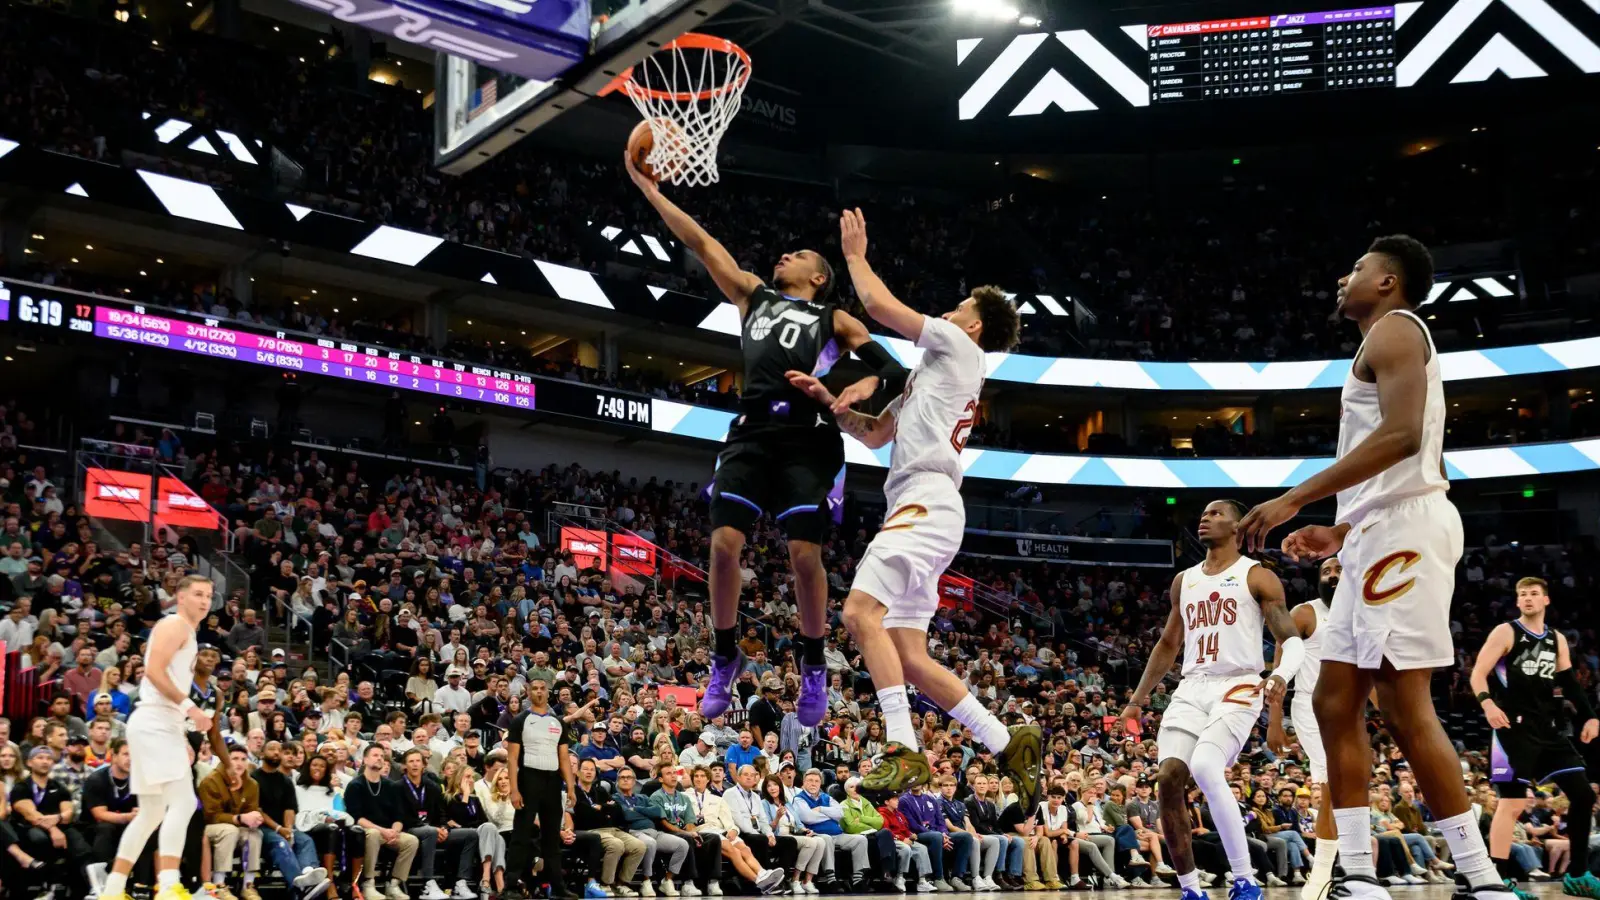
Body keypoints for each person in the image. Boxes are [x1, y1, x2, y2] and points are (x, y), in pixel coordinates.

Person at [1240, 235, 1506, 900]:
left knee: (1403, 703)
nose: (1343, 275)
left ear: (1388, 281)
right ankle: (1357, 873)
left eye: (1357, 267)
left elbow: (1405, 435)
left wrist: (1296, 498)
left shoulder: (1394, 330)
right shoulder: (1384, 337)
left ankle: (1482, 877)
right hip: (1380, 531)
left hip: (1406, 532)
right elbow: (1397, 460)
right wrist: (1340, 527)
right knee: (1334, 701)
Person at [626, 154, 906, 729]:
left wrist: (853, 390)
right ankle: (724, 655)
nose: (784, 255)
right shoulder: (754, 295)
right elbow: (702, 242)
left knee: (804, 554)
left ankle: (812, 663)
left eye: (799, 255)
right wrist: (649, 190)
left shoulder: (834, 318)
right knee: (723, 544)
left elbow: (892, 372)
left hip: (808, 438)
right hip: (752, 431)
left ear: (819, 277)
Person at [784, 209, 1039, 810]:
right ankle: (1005, 739)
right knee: (908, 653)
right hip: (926, 506)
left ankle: (902, 746)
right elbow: (874, 435)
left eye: (957, 308)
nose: (947, 313)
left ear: (973, 326)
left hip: (924, 502)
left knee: (857, 614)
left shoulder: (956, 346)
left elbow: (877, 305)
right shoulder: (930, 375)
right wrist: (829, 403)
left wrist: (853, 256)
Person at [1123, 500, 1302, 900]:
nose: (1205, 517)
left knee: (1204, 765)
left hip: (1238, 683)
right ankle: (1190, 889)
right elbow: (1169, 643)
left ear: (1239, 527)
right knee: (1168, 779)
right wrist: (1137, 699)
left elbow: (1291, 641)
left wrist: (1280, 675)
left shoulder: (1257, 577)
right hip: (1192, 685)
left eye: (1217, 513)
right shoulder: (1184, 580)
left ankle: (1245, 880)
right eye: (1203, 513)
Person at [1469, 576, 1600, 899]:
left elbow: (1569, 682)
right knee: (1511, 803)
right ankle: (1499, 881)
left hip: (1548, 730)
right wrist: (1487, 704)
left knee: (1583, 795)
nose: (1527, 598)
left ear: (1546, 600)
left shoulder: (1556, 639)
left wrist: (1590, 716)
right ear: (1517, 602)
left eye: (1533, 594)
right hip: (1512, 729)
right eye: (1522, 594)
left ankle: (1579, 874)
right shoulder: (1506, 632)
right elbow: (1477, 673)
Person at [98, 575, 215, 900]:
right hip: (155, 721)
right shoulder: (174, 625)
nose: (205, 601)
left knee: (151, 813)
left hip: (160, 724)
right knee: (182, 803)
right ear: (180, 597)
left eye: (208, 595)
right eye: (197, 594)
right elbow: (153, 672)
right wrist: (192, 709)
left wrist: (181, 732)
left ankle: (112, 888)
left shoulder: (187, 632)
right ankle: (167, 885)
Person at [1266, 556, 1341, 900]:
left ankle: (1343, 872)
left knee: (1348, 791)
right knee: (1333, 785)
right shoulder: (1306, 613)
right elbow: (1281, 662)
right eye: (1326, 571)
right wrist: (1276, 721)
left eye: (1339, 569)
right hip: (1312, 705)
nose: (1333, 575)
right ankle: (1320, 877)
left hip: (1347, 708)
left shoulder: (1362, 613)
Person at [506, 677, 578, 900]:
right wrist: (514, 789)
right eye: (534, 689)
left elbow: (564, 757)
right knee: (521, 833)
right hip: (529, 777)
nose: (538, 692)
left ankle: (557, 886)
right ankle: (510, 886)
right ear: (528, 693)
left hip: (553, 781)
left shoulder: (558, 722)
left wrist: (571, 788)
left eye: (542, 689)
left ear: (548, 693)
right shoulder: (520, 720)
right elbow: (512, 757)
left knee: (551, 837)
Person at [251, 741, 331, 900]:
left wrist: (288, 830)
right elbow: (257, 810)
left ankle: (309, 872)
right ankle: (300, 889)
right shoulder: (253, 779)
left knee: (305, 840)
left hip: (283, 827)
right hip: (262, 827)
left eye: (278, 750)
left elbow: (289, 808)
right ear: (262, 754)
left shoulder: (285, 780)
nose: (275, 753)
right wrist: (280, 829)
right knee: (279, 843)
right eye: (271, 749)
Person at [343, 744, 423, 900]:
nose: (379, 758)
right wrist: (382, 830)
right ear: (365, 759)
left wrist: (395, 831)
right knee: (372, 834)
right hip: (366, 831)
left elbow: (399, 816)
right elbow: (357, 818)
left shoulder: (391, 786)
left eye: (381, 756)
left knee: (411, 841)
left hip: (388, 832)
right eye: (375, 755)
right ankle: (368, 883)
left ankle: (393, 884)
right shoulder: (355, 785)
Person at [12, 744, 92, 896]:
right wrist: (53, 828)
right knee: (39, 837)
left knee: (80, 843)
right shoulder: (21, 787)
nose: (45, 761)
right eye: (40, 758)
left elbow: (68, 813)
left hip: (61, 827)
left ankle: (92, 886)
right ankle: (45, 886)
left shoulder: (59, 786)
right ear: (29, 762)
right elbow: (32, 816)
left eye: (49, 758)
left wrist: (59, 817)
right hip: (28, 828)